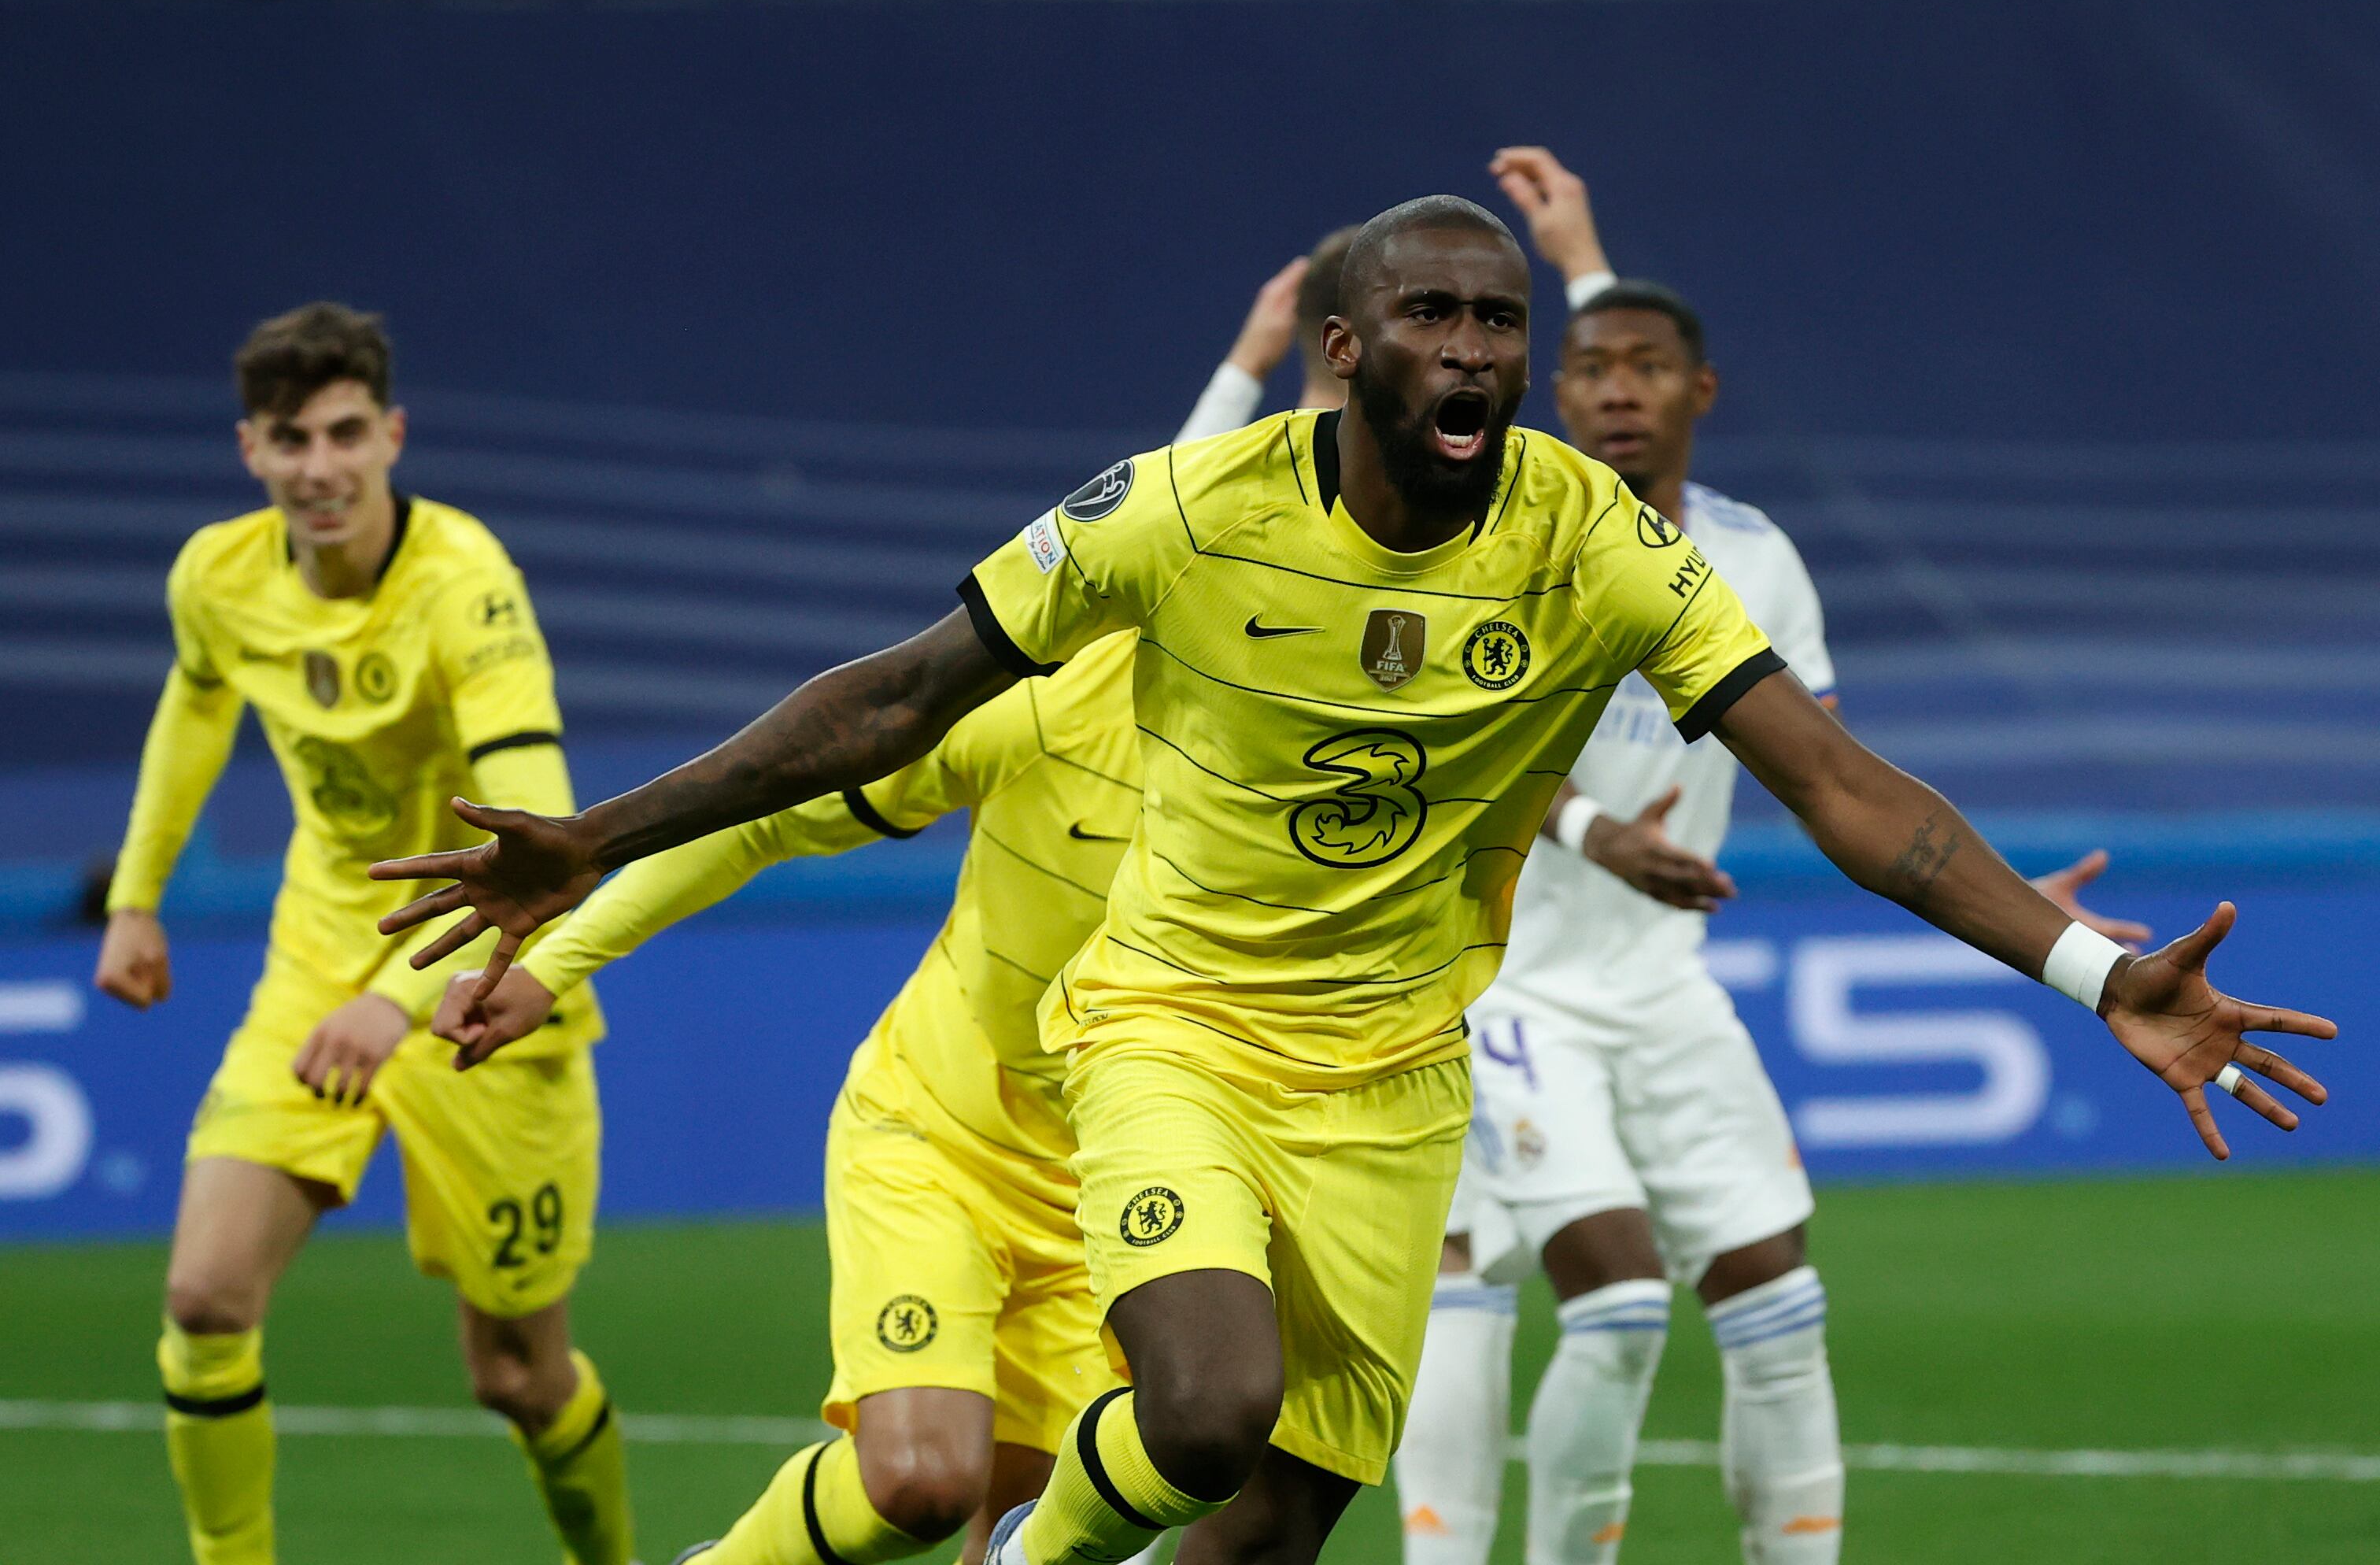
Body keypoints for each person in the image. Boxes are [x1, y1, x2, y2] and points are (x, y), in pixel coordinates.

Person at [366, 198, 2331, 1565]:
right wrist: (595, 839)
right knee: (1204, 1412)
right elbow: (894, 697)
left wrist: (2088, 972)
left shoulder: (1585, 539)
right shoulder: (1178, 513)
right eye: (1437, 320)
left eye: (1503, 326)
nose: (1479, 352)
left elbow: (1835, 783)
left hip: (1395, 1081)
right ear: (1346, 351)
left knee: (1281, 1520)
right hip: (1170, 1034)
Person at [1391, 147, 2152, 1565]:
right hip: (1498, 989)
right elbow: (1430, 741)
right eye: (1590, 366)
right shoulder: (1499, 535)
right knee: (1605, 1301)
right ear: (1554, 399)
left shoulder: (1754, 560)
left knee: (1775, 1301)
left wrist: (1997, 912)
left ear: (1698, 394)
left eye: (1645, 368)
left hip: (1660, 990)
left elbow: (1829, 780)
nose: (1616, 387)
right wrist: (1582, 825)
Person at [93, 304, 631, 1565]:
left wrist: (396, 997)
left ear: (392, 435)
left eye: (346, 433)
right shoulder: (217, 578)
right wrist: (135, 895)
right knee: (203, 1299)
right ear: (252, 451)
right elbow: (193, 704)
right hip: (315, 968)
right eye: (292, 439)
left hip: (483, 983)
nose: (321, 466)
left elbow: (542, 836)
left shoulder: (467, 587)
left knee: (518, 1377)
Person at [426, 635, 1155, 1565]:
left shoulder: (1327, 761)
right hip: (941, 1137)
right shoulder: (1047, 704)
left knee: (1037, 1536)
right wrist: (554, 967)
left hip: (1123, 1184)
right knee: (922, 1483)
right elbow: (766, 819)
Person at [1175, 226, 1358, 444]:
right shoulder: (1398, 474)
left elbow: (1180, 475)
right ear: (1344, 345)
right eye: (1409, 317)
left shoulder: (1241, 474)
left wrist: (1246, 364)